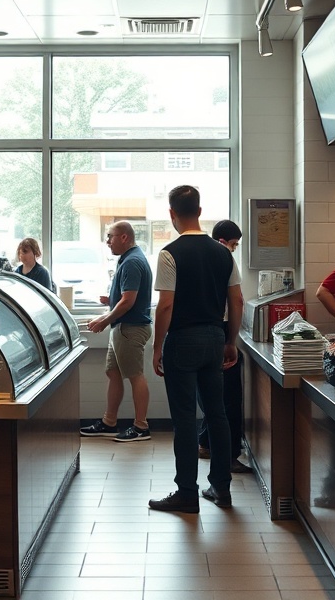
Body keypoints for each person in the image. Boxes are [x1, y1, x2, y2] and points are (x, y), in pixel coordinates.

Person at [149, 186, 244, 513]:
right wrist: (230, 340)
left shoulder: (169, 253)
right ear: (200, 212)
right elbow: (237, 300)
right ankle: (221, 488)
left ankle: (187, 492)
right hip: (214, 339)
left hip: (182, 342)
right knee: (217, 414)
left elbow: (165, 307)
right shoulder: (224, 253)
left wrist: (157, 346)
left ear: (172, 214)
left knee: (186, 419)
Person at [79, 221, 154, 442]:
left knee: (135, 375)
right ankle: (109, 422)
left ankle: (141, 426)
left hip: (130, 328)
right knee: (113, 372)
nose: (107, 241)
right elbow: (125, 296)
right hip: (122, 327)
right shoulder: (129, 259)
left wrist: (104, 319)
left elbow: (128, 302)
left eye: (110, 236)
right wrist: (110, 300)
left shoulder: (132, 262)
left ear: (124, 237)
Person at [196, 219, 251, 474]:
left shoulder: (194, 257)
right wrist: (232, 340)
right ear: (224, 242)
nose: (234, 249)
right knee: (228, 398)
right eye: (234, 244)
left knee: (209, 395)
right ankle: (229, 457)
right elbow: (237, 300)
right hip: (221, 332)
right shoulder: (225, 259)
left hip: (197, 336)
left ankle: (206, 442)